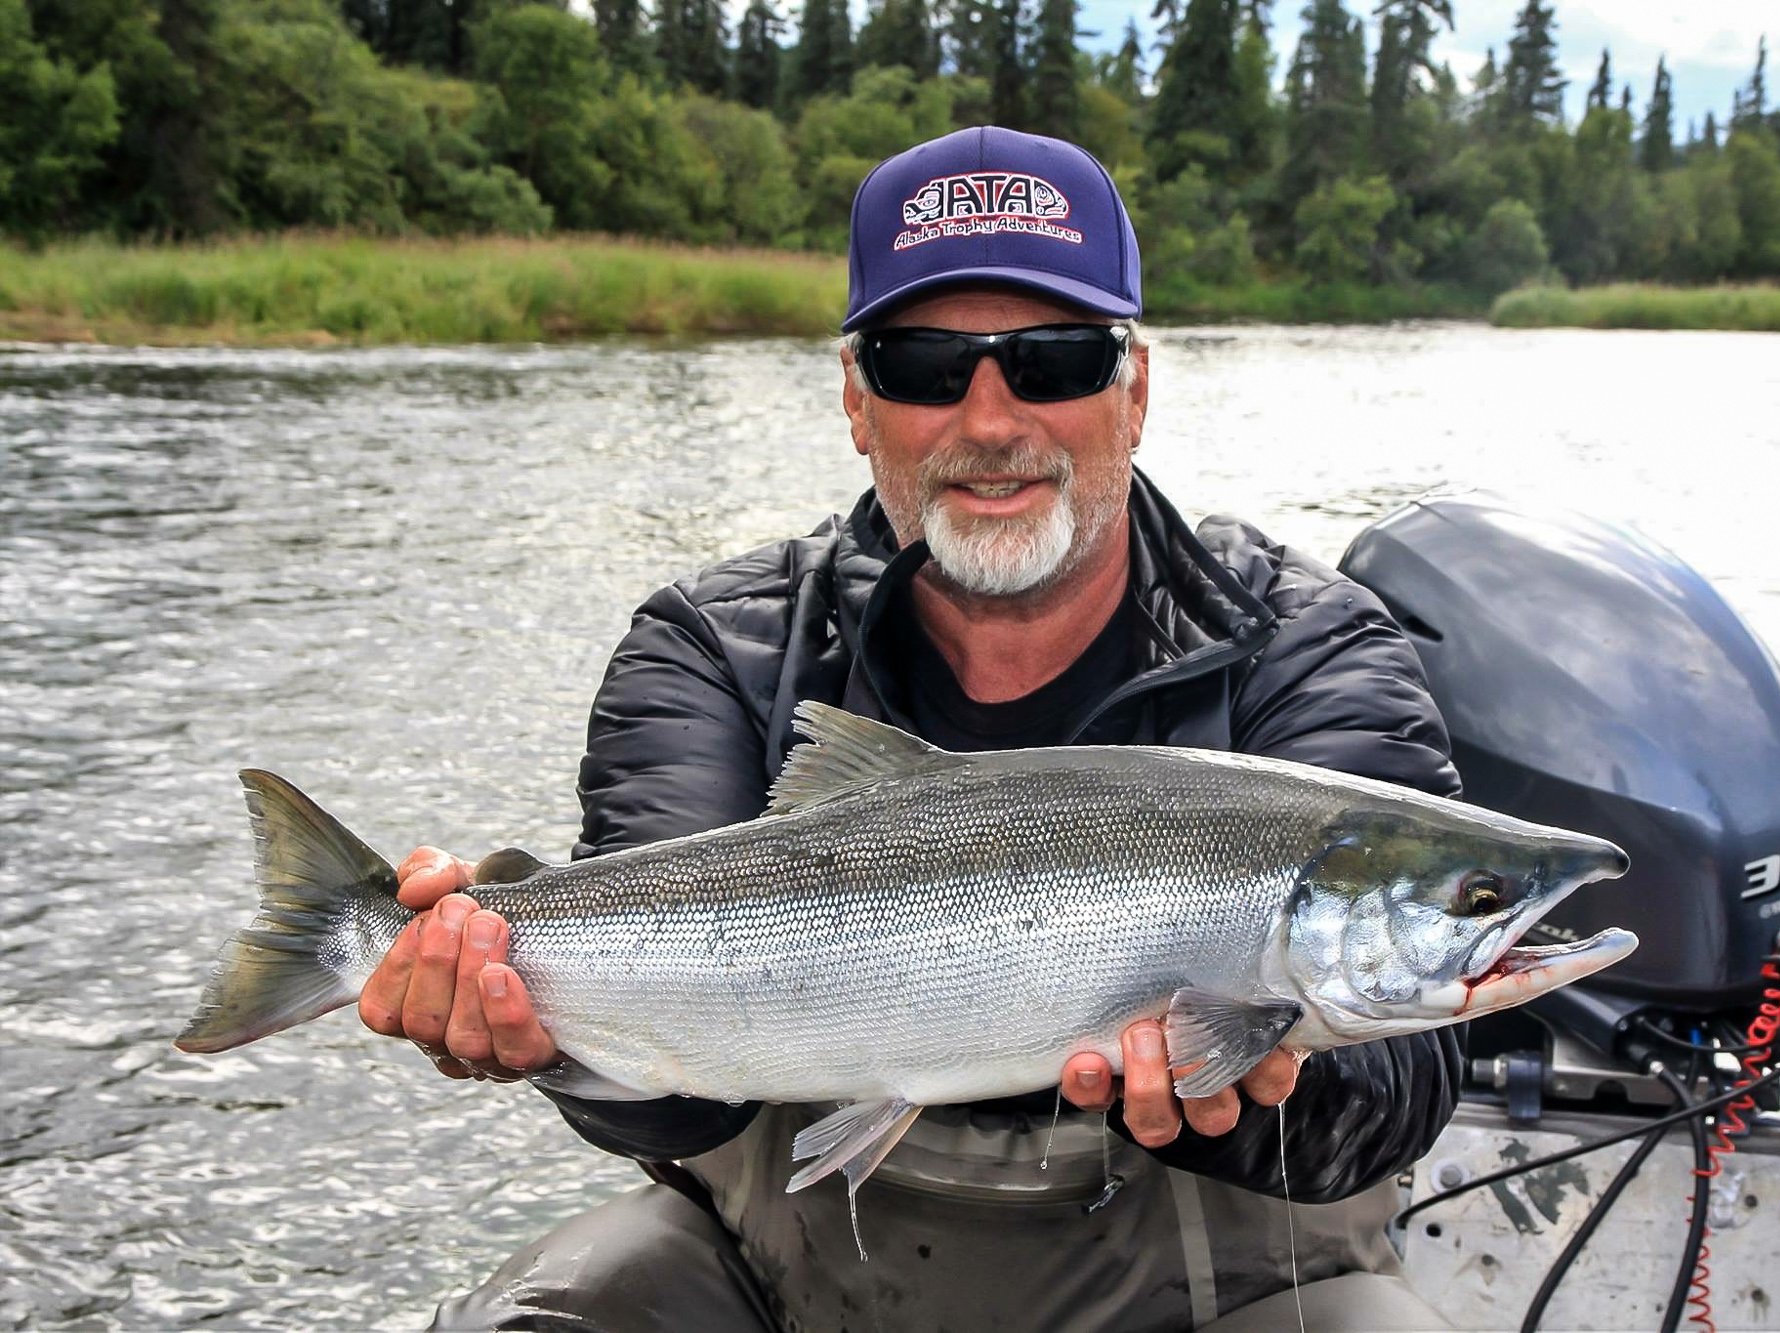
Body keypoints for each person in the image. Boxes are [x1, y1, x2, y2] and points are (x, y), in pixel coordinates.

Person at [358, 126, 1462, 1332]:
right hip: (797, 1270)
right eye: (923, 363)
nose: (989, 420)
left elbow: (1399, 1087)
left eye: (1052, 359)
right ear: (853, 399)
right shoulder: (715, 650)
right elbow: (679, 1108)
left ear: (1132, 389)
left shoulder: (1308, 644)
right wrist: (534, 1033)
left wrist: (1238, 1086)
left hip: (1224, 1294)